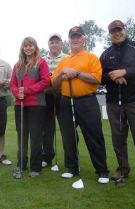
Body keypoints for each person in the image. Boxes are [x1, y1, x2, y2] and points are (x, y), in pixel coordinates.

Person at [100, 20, 135, 184]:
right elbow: (100, 77)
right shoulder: (105, 54)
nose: (117, 33)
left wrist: (125, 72)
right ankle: (122, 169)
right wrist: (113, 76)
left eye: (119, 29)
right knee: (118, 137)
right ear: (109, 34)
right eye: (113, 31)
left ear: (124, 30)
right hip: (113, 102)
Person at [51, 26, 109, 184]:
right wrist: (62, 75)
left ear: (84, 39)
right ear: (69, 40)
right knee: (68, 137)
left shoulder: (91, 57)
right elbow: (54, 84)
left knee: (94, 136)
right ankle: (72, 168)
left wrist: (76, 73)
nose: (75, 39)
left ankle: (102, 170)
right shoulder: (64, 61)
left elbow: (97, 79)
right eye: (72, 37)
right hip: (66, 101)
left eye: (78, 36)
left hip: (87, 101)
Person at [10, 37, 50, 177]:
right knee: (22, 135)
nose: (28, 48)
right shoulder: (17, 65)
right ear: (22, 48)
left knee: (35, 136)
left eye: (30, 45)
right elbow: (12, 83)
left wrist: (27, 90)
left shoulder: (41, 62)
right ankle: (21, 164)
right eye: (25, 46)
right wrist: (17, 92)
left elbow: (46, 81)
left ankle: (35, 167)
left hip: (36, 104)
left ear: (35, 47)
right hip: (20, 104)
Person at [41, 33, 67, 168]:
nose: (54, 45)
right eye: (52, 42)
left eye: (57, 42)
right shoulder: (42, 59)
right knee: (47, 128)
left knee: (66, 127)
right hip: (47, 96)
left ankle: (70, 158)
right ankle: (47, 157)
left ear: (61, 44)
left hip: (63, 95)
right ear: (48, 44)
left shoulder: (67, 58)